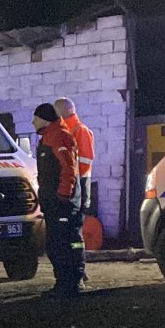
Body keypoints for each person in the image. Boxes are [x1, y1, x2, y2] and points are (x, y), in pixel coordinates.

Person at [32, 103, 83, 299]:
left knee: (67, 243)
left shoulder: (59, 136)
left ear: (44, 119)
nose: (32, 121)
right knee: (56, 244)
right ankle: (64, 283)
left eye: (35, 118)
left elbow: (68, 169)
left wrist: (63, 196)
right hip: (55, 203)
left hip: (64, 203)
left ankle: (72, 283)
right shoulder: (49, 136)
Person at [56, 97, 96, 287]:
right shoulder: (67, 131)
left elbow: (85, 163)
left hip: (78, 186)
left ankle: (79, 272)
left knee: (75, 232)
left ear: (63, 112)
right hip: (74, 185)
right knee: (70, 232)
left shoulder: (79, 131)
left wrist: (69, 178)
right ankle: (76, 269)